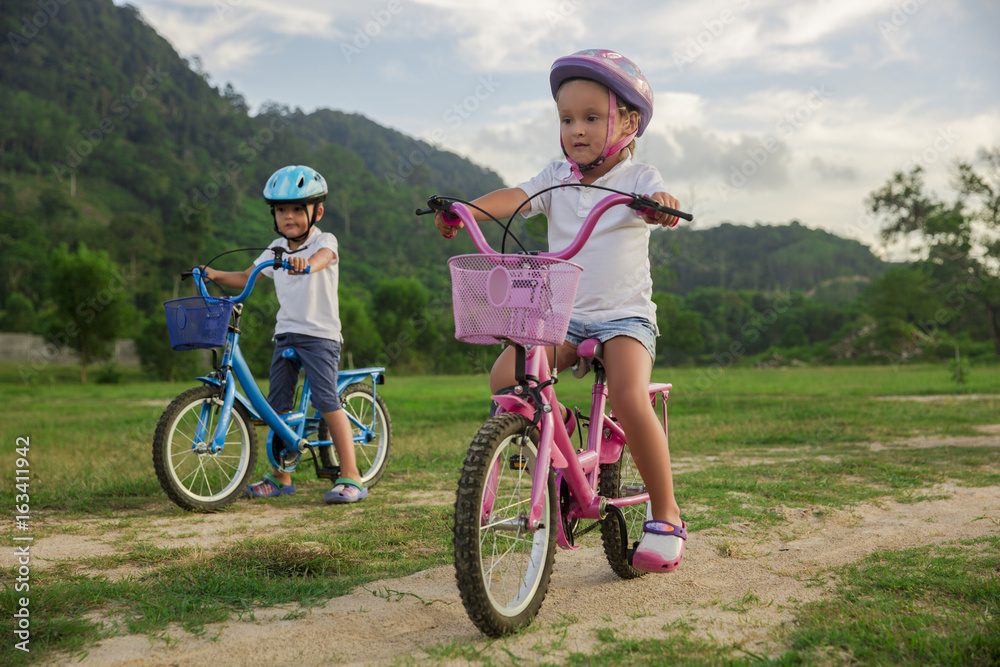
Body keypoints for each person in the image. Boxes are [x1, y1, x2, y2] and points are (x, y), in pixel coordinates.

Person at [436, 49, 685, 571]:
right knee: (507, 379)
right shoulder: (558, 176)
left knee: (627, 394)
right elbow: (516, 196)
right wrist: (468, 208)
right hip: (564, 315)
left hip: (624, 318)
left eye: (592, 118)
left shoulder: (638, 176)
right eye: (567, 119)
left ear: (628, 122)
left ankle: (667, 514)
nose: (577, 129)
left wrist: (658, 204)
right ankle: (557, 428)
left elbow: (658, 193)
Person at [202, 165, 366, 504]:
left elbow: (323, 258)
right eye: (280, 210)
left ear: (316, 211)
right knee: (277, 407)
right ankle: (281, 476)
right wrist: (214, 273)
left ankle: (352, 474)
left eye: (296, 209)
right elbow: (249, 275)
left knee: (325, 401)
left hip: (320, 336)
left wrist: (308, 264)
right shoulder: (276, 247)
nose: (288, 216)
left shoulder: (324, 241)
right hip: (286, 334)